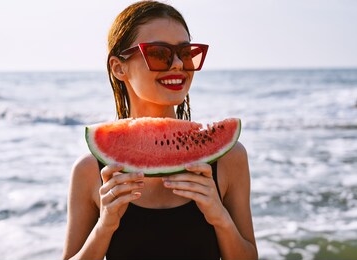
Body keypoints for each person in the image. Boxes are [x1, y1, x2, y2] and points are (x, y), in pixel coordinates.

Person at [62, 1, 258, 259]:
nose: (177, 64)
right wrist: (104, 227)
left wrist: (220, 218)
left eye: (186, 53)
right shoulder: (90, 171)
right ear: (118, 68)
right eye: (158, 53)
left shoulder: (229, 159)